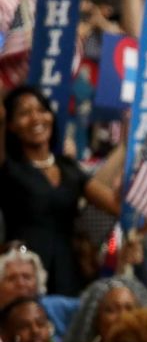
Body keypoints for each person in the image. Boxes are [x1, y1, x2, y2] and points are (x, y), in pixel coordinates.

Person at [0, 87, 122, 296]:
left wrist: (128, 145)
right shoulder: (8, 168)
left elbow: (116, 206)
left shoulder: (68, 168)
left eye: (42, 110)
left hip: (70, 271)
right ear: (11, 125)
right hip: (24, 272)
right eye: (24, 113)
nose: (35, 118)